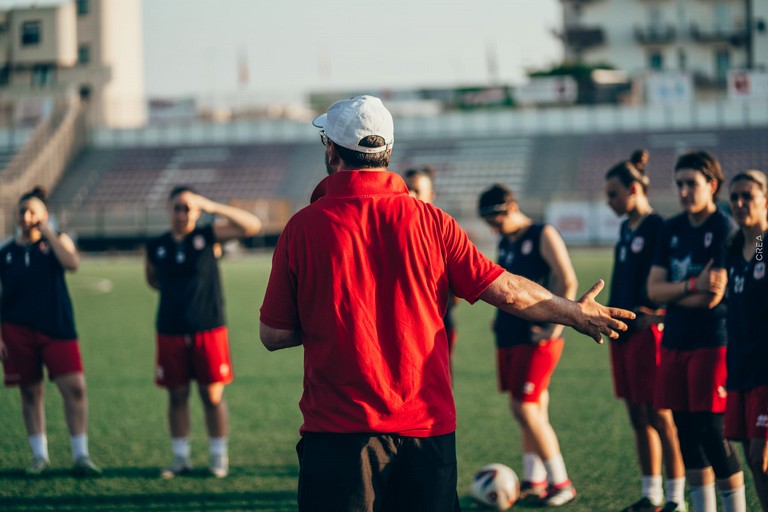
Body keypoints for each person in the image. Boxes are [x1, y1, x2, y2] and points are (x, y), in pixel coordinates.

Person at [259, 95, 634, 512]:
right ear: (387, 152)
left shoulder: (302, 228)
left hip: (337, 430)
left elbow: (274, 335)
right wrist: (574, 312)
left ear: (332, 150)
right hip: (427, 430)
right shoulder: (434, 222)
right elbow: (506, 290)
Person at [647, 151, 746, 512]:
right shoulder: (670, 228)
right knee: (686, 432)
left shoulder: (725, 228)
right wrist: (691, 286)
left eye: (692, 184)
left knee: (712, 431)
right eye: (680, 184)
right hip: (674, 341)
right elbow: (653, 290)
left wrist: (680, 293)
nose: (684, 191)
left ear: (713, 185)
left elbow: (712, 297)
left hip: (711, 342)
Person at [145, 186, 261, 479]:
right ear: (168, 209)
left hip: (208, 328)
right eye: (177, 207)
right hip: (170, 329)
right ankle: (180, 458)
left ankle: (218, 457)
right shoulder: (156, 245)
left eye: (188, 207)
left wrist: (211, 205)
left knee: (212, 396)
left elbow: (252, 225)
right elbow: (153, 280)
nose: (182, 213)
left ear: (196, 211)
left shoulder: (207, 236)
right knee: (176, 396)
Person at [477, 183, 579, 507]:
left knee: (524, 407)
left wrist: (555, 327)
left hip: (536, 336)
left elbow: (568, 279)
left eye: (495, 220)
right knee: (530, 411)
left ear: (510, 208)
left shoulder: (542, 233)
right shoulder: (506, 239)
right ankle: (534, 479)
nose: (493, 227)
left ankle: (561, 481)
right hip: (509, 335)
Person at [0, 187, 101, 477]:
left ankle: (81, 455)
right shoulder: (6, 253)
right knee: (30, 393)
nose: (27, 216)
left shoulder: (57, 243)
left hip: (57, 328)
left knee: (75, 389)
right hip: (17, 331)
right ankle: (39, 456)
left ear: (45, 216)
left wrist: (49, 232)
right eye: (22, 211)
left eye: (33, 211)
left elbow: (72, 263)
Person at [604, 160, 687, 511]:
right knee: (637, 416)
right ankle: (651, 494)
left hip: (646, 333)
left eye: (613, 194)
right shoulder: (626, 229)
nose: (609, 201)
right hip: (621, 333)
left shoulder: (659, 228)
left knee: (660, 415)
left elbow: (673, 276)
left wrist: (660, 316)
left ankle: (676, 498)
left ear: (634, 189)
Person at [723, 170, 768, 511]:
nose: (738, 203)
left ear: (765, 200)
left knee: (760, 456)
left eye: (747, 196)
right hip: (741, 365)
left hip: (765, 369)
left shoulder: (766, 244)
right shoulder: (735, 248)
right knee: (755, 461)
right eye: (733, 197)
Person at [403, 165, 460, 375]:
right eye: (406, 188)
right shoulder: (388, 228)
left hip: (437, 326)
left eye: (417, 190)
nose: (409, 194)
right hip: (401, 326)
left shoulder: (443, 230)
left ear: (431, 195)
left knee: (438, 382)